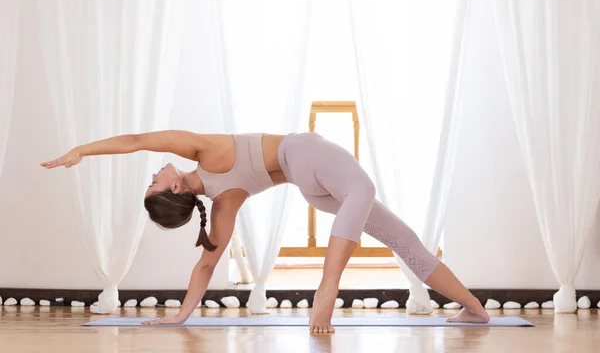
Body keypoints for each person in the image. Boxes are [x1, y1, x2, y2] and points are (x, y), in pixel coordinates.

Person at [41, 131, 490, 333]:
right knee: (365, 193)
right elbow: (138, 140)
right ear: (175, 187)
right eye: (154, 182)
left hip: (313, 188)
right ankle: (326, 290)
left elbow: (206, 263)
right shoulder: (206, 151)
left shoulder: (222, 203)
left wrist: (182, 314)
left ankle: (475, 310)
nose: (154, 172)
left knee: (403, 239)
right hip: (310, 158)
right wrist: (81, 151)